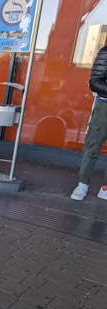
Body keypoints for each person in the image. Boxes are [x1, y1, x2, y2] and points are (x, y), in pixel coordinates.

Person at [71, 44, 107, 201]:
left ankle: (105, 188)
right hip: (104, 106)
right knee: (93, 147)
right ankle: (82, 184)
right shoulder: (105, 52)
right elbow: (94, 82)